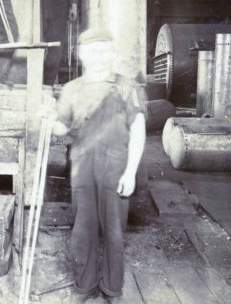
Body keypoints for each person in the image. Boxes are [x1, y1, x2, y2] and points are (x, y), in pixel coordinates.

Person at [52, 27, 147, 302]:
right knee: (83, 230)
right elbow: (61, 127)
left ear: (113, 52)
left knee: (115, 233)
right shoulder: (71, 89)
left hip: (115, 168)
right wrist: (48, 119)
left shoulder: (128, 88)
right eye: (92, 51)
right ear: (81, 54)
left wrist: (130, 172)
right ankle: (85, 286)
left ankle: (111, 289)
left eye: (104, 50)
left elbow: (138, 132)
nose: (98, 56)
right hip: (82, 168)